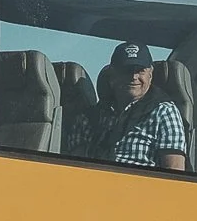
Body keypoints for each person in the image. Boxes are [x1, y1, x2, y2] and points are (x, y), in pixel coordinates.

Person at [66, 42, 187, 171]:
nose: (134, 77)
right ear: (112, 75)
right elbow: (74, 168)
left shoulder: (164, 112)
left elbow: (174, 172)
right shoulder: (89, 118)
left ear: (150, 74)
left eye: (140, 70)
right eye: (127, 70)